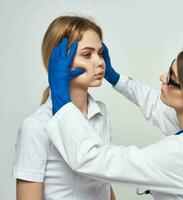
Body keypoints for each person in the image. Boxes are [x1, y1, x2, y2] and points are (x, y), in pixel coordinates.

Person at [45, 40, 183, 199]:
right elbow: (153, 103)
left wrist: (61, 99)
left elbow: (93, 160)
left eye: (171, 77)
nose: (162, 77)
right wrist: (115, 78)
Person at [12, 15, 115, 200]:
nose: (100, 62)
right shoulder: (37, 125)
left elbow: (103, 184)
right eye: (86, 54)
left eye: (100, 53)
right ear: (58, 61)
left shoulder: (100, 113)